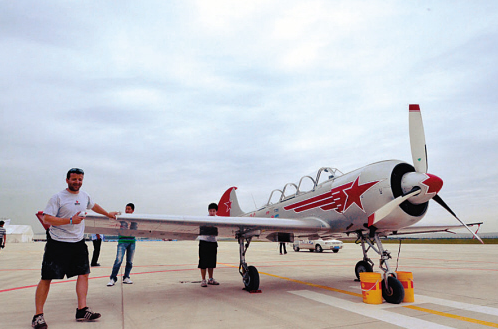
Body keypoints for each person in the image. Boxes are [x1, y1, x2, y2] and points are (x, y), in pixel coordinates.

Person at [32, 168, 118, 329]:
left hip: (77, 242)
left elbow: (93, 206)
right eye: (74, 179)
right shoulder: (57, 197)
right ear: (67, 180)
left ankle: (82, 310)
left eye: (80, 179)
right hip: (57, 243)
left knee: (84, 274)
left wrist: (108, 214)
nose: (77, 182)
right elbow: (47, 218)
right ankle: (38, 316)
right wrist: (71, 220)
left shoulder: (84, 196)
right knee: (46, 278)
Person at [107, 203, 136, 286]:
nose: (127, 210)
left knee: (129, 261)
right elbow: (111, 217)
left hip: (132, 242)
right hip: (122, 242)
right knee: (118, 260)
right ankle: (113, 278)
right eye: (126, 208)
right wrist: (116, 213)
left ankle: (126, 277)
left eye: (129, 209)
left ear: (132, 210)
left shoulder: (135, 219)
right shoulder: (121, 218)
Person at [198, 203, 220, 287]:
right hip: (204, 242)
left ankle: (210, 279)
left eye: (214, 211)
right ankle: (203, 280)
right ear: (208, 211)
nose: (212, 213)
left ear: (216, 211)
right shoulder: (204, 219)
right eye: (210, 211)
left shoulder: (219, 219)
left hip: (213, 243)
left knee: (211, 262)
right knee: (203, 262)